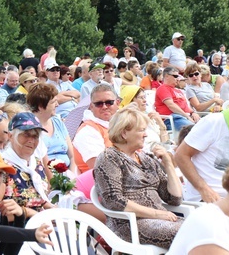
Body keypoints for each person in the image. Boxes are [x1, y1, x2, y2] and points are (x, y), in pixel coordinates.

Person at [94, 108, 183, 248]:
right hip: (129, 224)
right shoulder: (109, 157)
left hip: (161, 220)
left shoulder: (145, 158)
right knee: (187, 235)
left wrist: (168, 163)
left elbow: (174, 199)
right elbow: (114, 200)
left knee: (206, 230)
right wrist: (156, 214)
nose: (146, 135)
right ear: (124, 133)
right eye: (141, 130)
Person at [1, 112, 53, 218]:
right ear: (11, 136)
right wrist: (32, 214)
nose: (31, 140)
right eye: (26, 135)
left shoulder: (36, 163)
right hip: (17, 227)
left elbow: (39, 198)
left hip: (41, 222)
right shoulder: (3, 167)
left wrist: (52, 209)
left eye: (35, 136)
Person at [73, 83, 119, 173]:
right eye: (99, 104)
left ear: (117, 103)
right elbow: (101, 169)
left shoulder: (121, 123)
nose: (105, 107)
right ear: (91, 106)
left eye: (109, 102)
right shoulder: (87, 131)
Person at [27, 82, 75, 169]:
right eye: (53, 102)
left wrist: (72, 176)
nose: (57, 105)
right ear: (41, 106)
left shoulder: (57, 122)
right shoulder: (30, 128)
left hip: (68, 173)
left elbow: (72, 156)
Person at [155, 66, 200, 130]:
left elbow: (185, 106)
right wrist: (187, 116)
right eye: (175, 76)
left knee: (206, 127)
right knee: (195, 129)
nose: (178, 79)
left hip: (184, 117)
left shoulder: (178, 91)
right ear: (167, 76)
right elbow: (171, 105)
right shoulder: (163, 88)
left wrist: (193, 113)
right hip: (172, 119)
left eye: (178, 76)